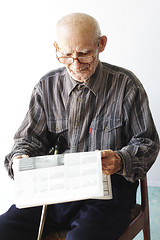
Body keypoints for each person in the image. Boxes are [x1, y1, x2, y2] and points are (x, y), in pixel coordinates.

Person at [0, 12, 159, 240]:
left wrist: (121, 160)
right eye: (65, 55)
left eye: (84, 54)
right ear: (56, 47)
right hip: (54, 192)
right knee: (4, 229)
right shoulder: (46, 88)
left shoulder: (127, 86)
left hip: (108, 196)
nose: (75, 64)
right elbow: (27, 141)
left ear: (101, 44)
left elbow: (148, 143)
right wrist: (20, 158)